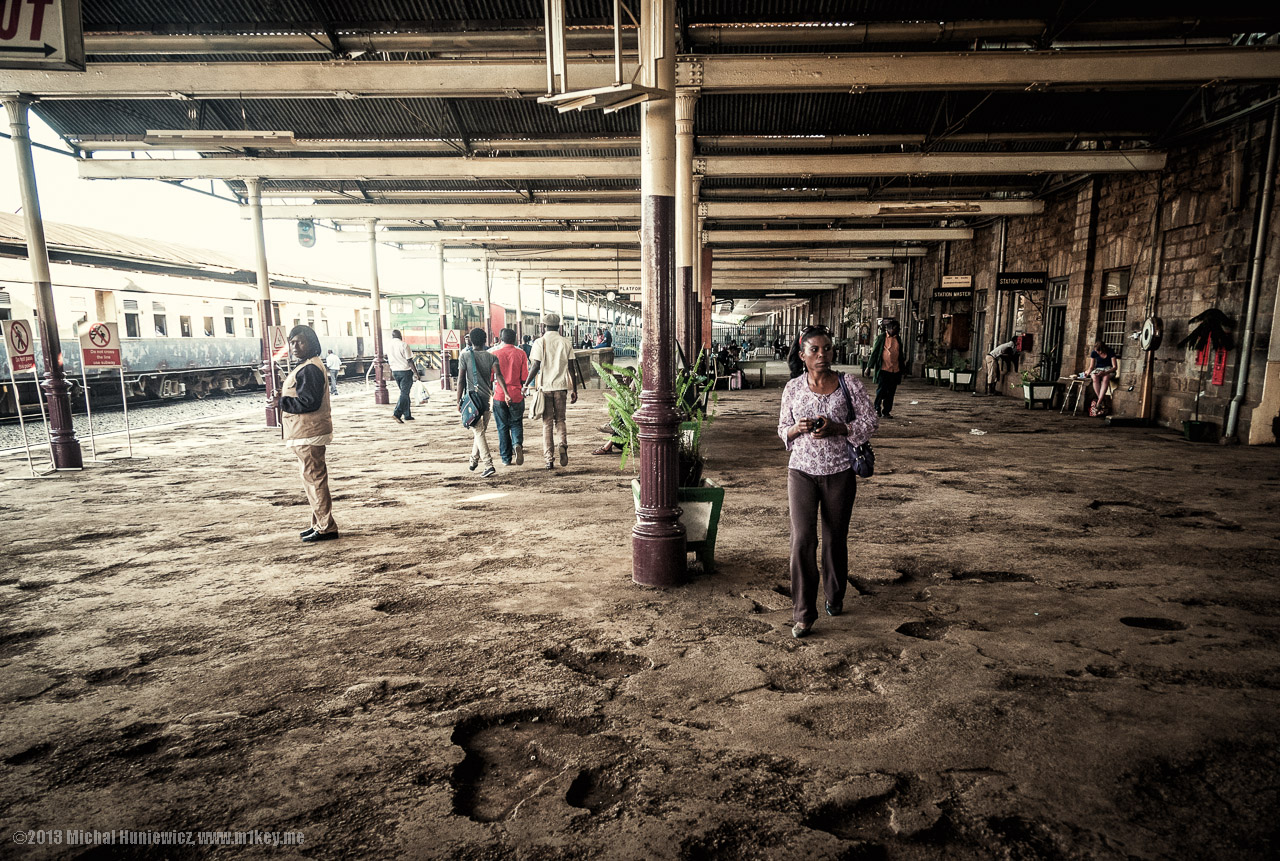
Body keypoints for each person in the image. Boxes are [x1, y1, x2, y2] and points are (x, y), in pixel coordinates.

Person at [777, 325, 878, 638]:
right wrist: (798, 428)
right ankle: (804, 614)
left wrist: (838, 428)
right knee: (802, 540)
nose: (822, 355)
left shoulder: (849, 383)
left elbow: (870, 421)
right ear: (803, 354)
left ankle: (835, 595)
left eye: (827, 349)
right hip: (802, 472)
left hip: (839, 470)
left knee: (835, 538)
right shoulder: (793, 388)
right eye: (815, 350)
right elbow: (782, 429)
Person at [272, 325, 339, 543]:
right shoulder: (309, 366)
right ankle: (319, 523)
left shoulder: (309, 368)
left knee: (315, 480)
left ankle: (325, 527)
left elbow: (309, 402)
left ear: (311, 343)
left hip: (308, 432)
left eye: (300, 342)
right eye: (292, 342)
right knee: (313, 479)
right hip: (307, 432)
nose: (294, 346)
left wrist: (281, 402)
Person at [526, 313, 579, 470]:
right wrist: (574, 389)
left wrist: (526, 383)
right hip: (561, 388)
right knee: (560, 420)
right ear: (559, 326)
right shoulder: (565, 342)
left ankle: (549, 459)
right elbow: (571, 369)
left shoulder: (539, 342)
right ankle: (562, 444)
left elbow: (535, 365)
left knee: (547, 423)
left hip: (545, 389)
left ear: (543, 326)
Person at [456, 328, 509, 479]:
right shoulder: (492, 357)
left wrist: (458, 399)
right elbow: (499, 376)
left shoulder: (464, 356)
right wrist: (505, 393)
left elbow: (460, 380)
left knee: (478, 431)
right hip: (487, 400)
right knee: (479, 432)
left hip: (473, 400)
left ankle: (488, 464)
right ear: (485, 340)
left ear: (470, 341)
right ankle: (473, 460)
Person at [491, 327, 529, 466]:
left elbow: (491, 377)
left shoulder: (495, 354)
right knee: (516, 423)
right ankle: (517, 444)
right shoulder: (521, 354)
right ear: (515, 339)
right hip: (516, 394)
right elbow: (524, 376)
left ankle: (506, 458)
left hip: (500, 395)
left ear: (501, 339)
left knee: (502, 426)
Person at [866, 319, 904, 418]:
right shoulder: (881, 338)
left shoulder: (898, 339)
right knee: (881, 391)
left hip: (895, 370)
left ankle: (886, 411)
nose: (898, 330)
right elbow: (875, 353)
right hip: (884, 369)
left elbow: (900, 355)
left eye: (898, 329)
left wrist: (903, 369)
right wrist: (869, 367)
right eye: (896, 328)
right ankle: (876, 408)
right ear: (890, 328)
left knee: (891, 393)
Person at [387, 329, 416, 423]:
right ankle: (397, 413)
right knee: (404, 393)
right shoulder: (404, 345)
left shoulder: (388, 345)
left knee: (404, 393)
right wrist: (416, 372)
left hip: (395, 372)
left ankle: (407, 415)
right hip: (405, 371)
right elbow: (409, 360)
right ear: (400, 336)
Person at [1085, 341, 1117, 411]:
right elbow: (1091, 366)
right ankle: (1102, 399)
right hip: (1098, 369)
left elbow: (1115, 367)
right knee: (1094, 377)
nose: (1097, 352)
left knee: (1105, 378)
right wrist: (1087, 373)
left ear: (1103, 349)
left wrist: (1105, 372)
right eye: (1096, 351)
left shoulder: (1110, 351)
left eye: (1099, 351)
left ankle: (1099, 402)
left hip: (1109, 369)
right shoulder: (1094, 353)